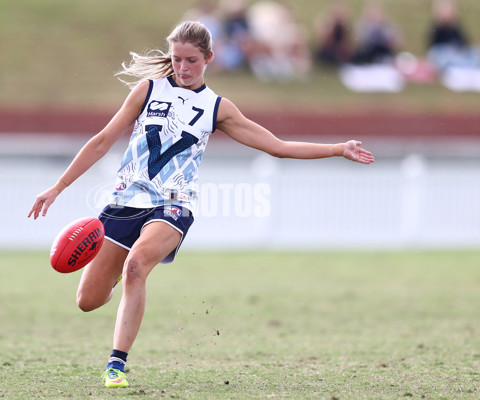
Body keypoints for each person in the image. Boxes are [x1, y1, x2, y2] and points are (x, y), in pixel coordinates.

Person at [27, 21, 374, 389]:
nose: (183, 67)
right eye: (176, 59)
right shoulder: (147, 90)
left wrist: (337, 149)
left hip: (173, 205)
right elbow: (101, 141)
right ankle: (117, 276)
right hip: (124, 201)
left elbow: (278, 146)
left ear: (209, 58)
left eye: (191, 60)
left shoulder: (216, 108)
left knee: (136, 266)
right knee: (88, 300)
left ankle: (116, 364)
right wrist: (58, 187)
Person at [426, 0, 479, 73]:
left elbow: (464, 43)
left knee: (474, 52)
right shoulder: (436, 29)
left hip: (457, 55)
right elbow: (433, 47)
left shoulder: (456, 28)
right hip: (444, 55)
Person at [314, 2, 354, 67]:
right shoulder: (327, 22)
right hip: (330, 51)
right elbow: (322, 42)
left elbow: (348, 41)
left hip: (340, 51)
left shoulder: (344, 24)